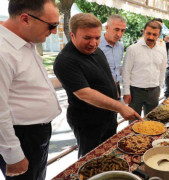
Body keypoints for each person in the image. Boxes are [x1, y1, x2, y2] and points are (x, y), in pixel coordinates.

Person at [54, 13, 142, 158]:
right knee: (90, 158)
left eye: (97, 38)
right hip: (88, 121)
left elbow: (106, 77)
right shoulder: (65, 60)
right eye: (87, 38)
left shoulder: (97, 50)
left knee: (108, 152)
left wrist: (117, 95)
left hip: (108, 115)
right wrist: (120, 107)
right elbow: (84, 93)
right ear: (72, 35)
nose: (93, 43)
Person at [0, 0, 61, 179]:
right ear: (26, 19)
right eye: (51, 26)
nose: (54, 31)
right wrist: (13, 155)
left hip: (35, 134)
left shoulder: (25, 42)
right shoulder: (3, 51)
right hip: (20, 137)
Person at [123, 20, 167, 117]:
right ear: (144, 32)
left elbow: (162, 70)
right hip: (135, 91)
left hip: (153, 91)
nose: (151, 37)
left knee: (152, 120)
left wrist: (159, 87)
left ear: (159, 34)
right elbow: (126, 71)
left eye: (154, 34)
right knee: (133, 120)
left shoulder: (162, 51)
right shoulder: (132, 49)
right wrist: (126, 92)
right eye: (148, 33)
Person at [99, 14, 126, 96]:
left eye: (122, 30)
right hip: (100, 89)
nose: (119, 34)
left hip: (116, 87)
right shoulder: (96, 45)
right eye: (116, 29)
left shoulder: (120, 46)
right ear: (107, 28)